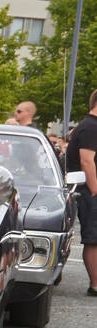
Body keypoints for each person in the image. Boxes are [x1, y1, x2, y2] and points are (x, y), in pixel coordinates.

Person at [64, 89, 97, 297]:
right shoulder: (90, 127)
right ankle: (95, 285)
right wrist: (95, 191)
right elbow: (87, 161)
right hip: (88, 191)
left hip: (89, 190)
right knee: (94, 238)